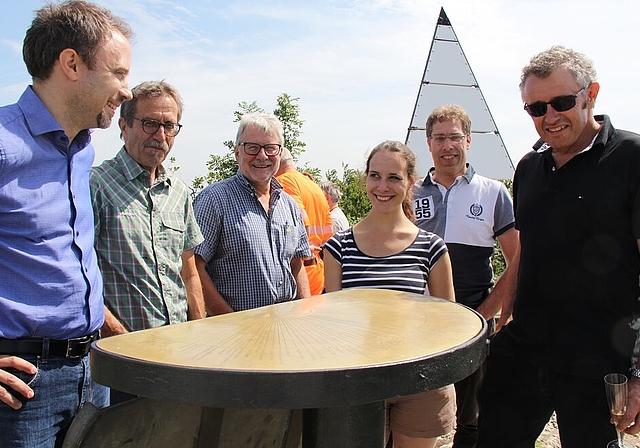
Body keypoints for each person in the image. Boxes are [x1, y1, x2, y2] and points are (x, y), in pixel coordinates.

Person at [476, 45, 640, 447]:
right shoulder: (529, 168)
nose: (549, 117)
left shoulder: (632, 159)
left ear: (591, 94)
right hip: (524, 352)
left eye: (562, 102)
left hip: (597, 363)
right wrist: (503, 322)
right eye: (536, 108)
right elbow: (526, 250)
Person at [0, 1, 133, 446]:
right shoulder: (3, 145)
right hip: (21, 391)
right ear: (71, 63)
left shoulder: (83, 151)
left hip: (93, 372)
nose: (127, 91)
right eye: (118, 73)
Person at [324, 141, 456, 448]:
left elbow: (448, 323)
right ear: (366, 179)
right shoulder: (338, 247)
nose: (383, 186)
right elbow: (332, 326)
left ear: (411, 182)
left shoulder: (432, 247)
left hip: (420, 382)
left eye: (394, 177)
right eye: (375, 176)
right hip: (357, 382)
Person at [412, 104, 518, 448]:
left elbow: (516, 260)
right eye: (439, 138)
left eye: (454, 137)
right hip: (417, 322)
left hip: (473, 318)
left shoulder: (493, 192)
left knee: (470, 416)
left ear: (469, 141)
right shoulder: (410, 193)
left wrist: (487, 313)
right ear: (427, 143)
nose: (447, 146)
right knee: (408, 407)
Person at [194, 113, 311, 314]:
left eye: (270, 148)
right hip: (235, 334)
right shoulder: (213, 200)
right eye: (252, 147)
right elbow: (194, 267)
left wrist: (306, 312)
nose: (262, 156)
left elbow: (296, 264)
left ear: (280, 152)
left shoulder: (289, 205)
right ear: (237, 152)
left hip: (288, 328)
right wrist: (227, 319)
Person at [276, 148, 333, 295]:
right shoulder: (314, 186)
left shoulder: (284, 182)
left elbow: (301, 225)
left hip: (299, 274)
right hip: (317, 271)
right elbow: (329, 236)